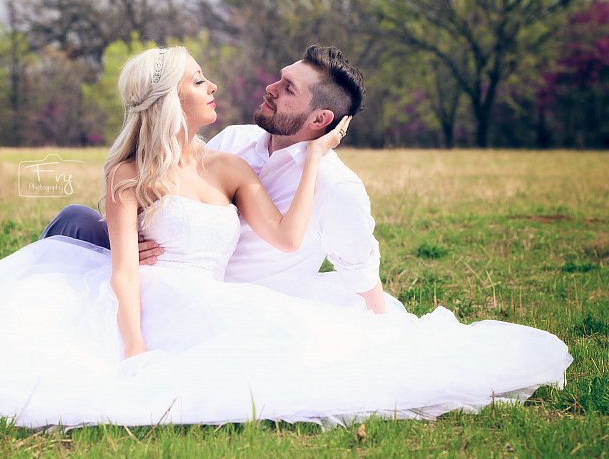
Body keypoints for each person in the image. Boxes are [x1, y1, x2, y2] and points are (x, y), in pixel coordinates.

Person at [0, 47, 571, 428]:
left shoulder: (296, 172)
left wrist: (316, 163)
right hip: (150, 285)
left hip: (218, 296)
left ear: (315, 119)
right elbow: (133, 239)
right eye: (202, 81)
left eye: (288, 90)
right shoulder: (212, 148)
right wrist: (132, 331)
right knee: (63, 251)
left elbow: (298, 242)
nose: (251, 89)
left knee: (310, 363)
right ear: (175, 100)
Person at [41, 45, 393, 314]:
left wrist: (388, 336)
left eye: (288, 88)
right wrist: (130, 237)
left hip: (240, 308)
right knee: (75, 220)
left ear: (320, 119)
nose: (270, 87)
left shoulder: (336, 187)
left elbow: (362, 275)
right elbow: (170, 193)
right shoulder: (235, 141)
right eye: (279, 77)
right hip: (160, 278)